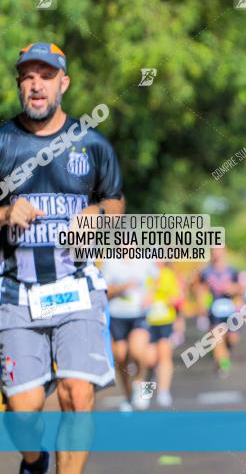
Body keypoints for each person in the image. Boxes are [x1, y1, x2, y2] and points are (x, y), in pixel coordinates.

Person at [0, 42, 125, 474]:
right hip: (17, 292)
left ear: (63, 83)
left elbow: (115, 204)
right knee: (23, 409)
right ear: (20, 85)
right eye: (28, 76)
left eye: (46, 75)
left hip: (78, 289)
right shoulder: (3, 142)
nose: (36, 85)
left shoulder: (92, 143)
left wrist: (95, 213)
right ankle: (34, 462)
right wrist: (4, 211)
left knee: (77, 393)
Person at [103, 256, 157, 411]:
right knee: (120, 357)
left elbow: (155, 280)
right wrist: (122, 287)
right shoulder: (110, 262)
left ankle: (141, 383)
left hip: (138, 313)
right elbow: (106, 289)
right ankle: (128, 396)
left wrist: (150, 295)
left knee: (137, 350)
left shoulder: (145, 261)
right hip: (117, 315)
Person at [196, 246, 246, 378]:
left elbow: (241, 289)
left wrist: (232, 289)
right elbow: (199, 288)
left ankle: (223, 352)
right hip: (214, 310)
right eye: (214, 250)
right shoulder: (205, 272)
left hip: (230, 310)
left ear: (224, 252)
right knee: (217, 338)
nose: (217, 253)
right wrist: (202, 304)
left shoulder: (232, 271)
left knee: (232, 339)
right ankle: (223, 364)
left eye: (219, 250)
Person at [144, 260, 182, 407]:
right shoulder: (145, 273)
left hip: (165, 320)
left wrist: (169, 300)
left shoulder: (169, 274)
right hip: (148, 321)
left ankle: (163, 391)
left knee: (164, 356)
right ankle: (146, 393)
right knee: (149, 360)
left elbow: (177, 297)